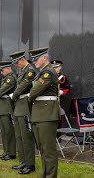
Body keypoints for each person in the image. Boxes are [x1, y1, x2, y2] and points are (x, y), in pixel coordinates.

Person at [28, 47, 60, 178]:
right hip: (40, 114)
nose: (34, 61)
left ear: (45, 58)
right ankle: (45, 174)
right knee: (42, 148)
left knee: (49, 149)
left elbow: (34, 90)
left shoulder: (48, 72)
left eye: (36, 59)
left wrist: (30, 95)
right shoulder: (41, 73)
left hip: (47, 114)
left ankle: (51, 176)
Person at [10, 51, 37, 174]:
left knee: (26, 137)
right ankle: (23, 161)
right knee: (19, 136)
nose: (16, 65)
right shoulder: (22, 71)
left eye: (17, 63)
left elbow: (23, 86)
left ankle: (30, 164)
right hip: (19, 105)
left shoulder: (30, 70)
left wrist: (13, 96)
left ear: (22, 60)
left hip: (25, 104)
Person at [0, 61, 16, 160]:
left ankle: (11, 153)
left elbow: (0, 92)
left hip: (7, 107)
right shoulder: (5, 78)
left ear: (8, 68)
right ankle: (6, 151)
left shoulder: (11, 78)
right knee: (4, 131)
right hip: (2, 107)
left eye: (2, 70)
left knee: (9, 131)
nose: (1, 72)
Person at [51, 60, 71, 140]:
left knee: (59, 117)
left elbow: (68, 88)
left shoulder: (63, 77)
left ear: (60, 67)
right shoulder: (48, 76)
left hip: (60, 100)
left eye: (57, 67)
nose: (56, 69)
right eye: (54, 67)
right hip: (50, 100)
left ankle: (58, 136)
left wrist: (62, 92)